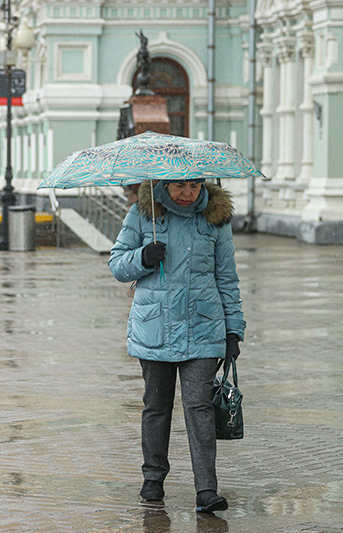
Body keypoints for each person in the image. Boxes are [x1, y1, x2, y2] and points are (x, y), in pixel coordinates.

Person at [108, 178, 245, 513]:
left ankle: (206, 490)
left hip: (203, 326)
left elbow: (226, 276)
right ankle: (153, 479)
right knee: (157, 406)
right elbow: (116, 265)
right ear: (164, 185)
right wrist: (142, 256)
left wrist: (233, 330)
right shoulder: (143, 215)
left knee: (199, 409)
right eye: (181, 186)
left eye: (196, 186)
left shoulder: (215, 219)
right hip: (155, 327)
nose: (189, 194)